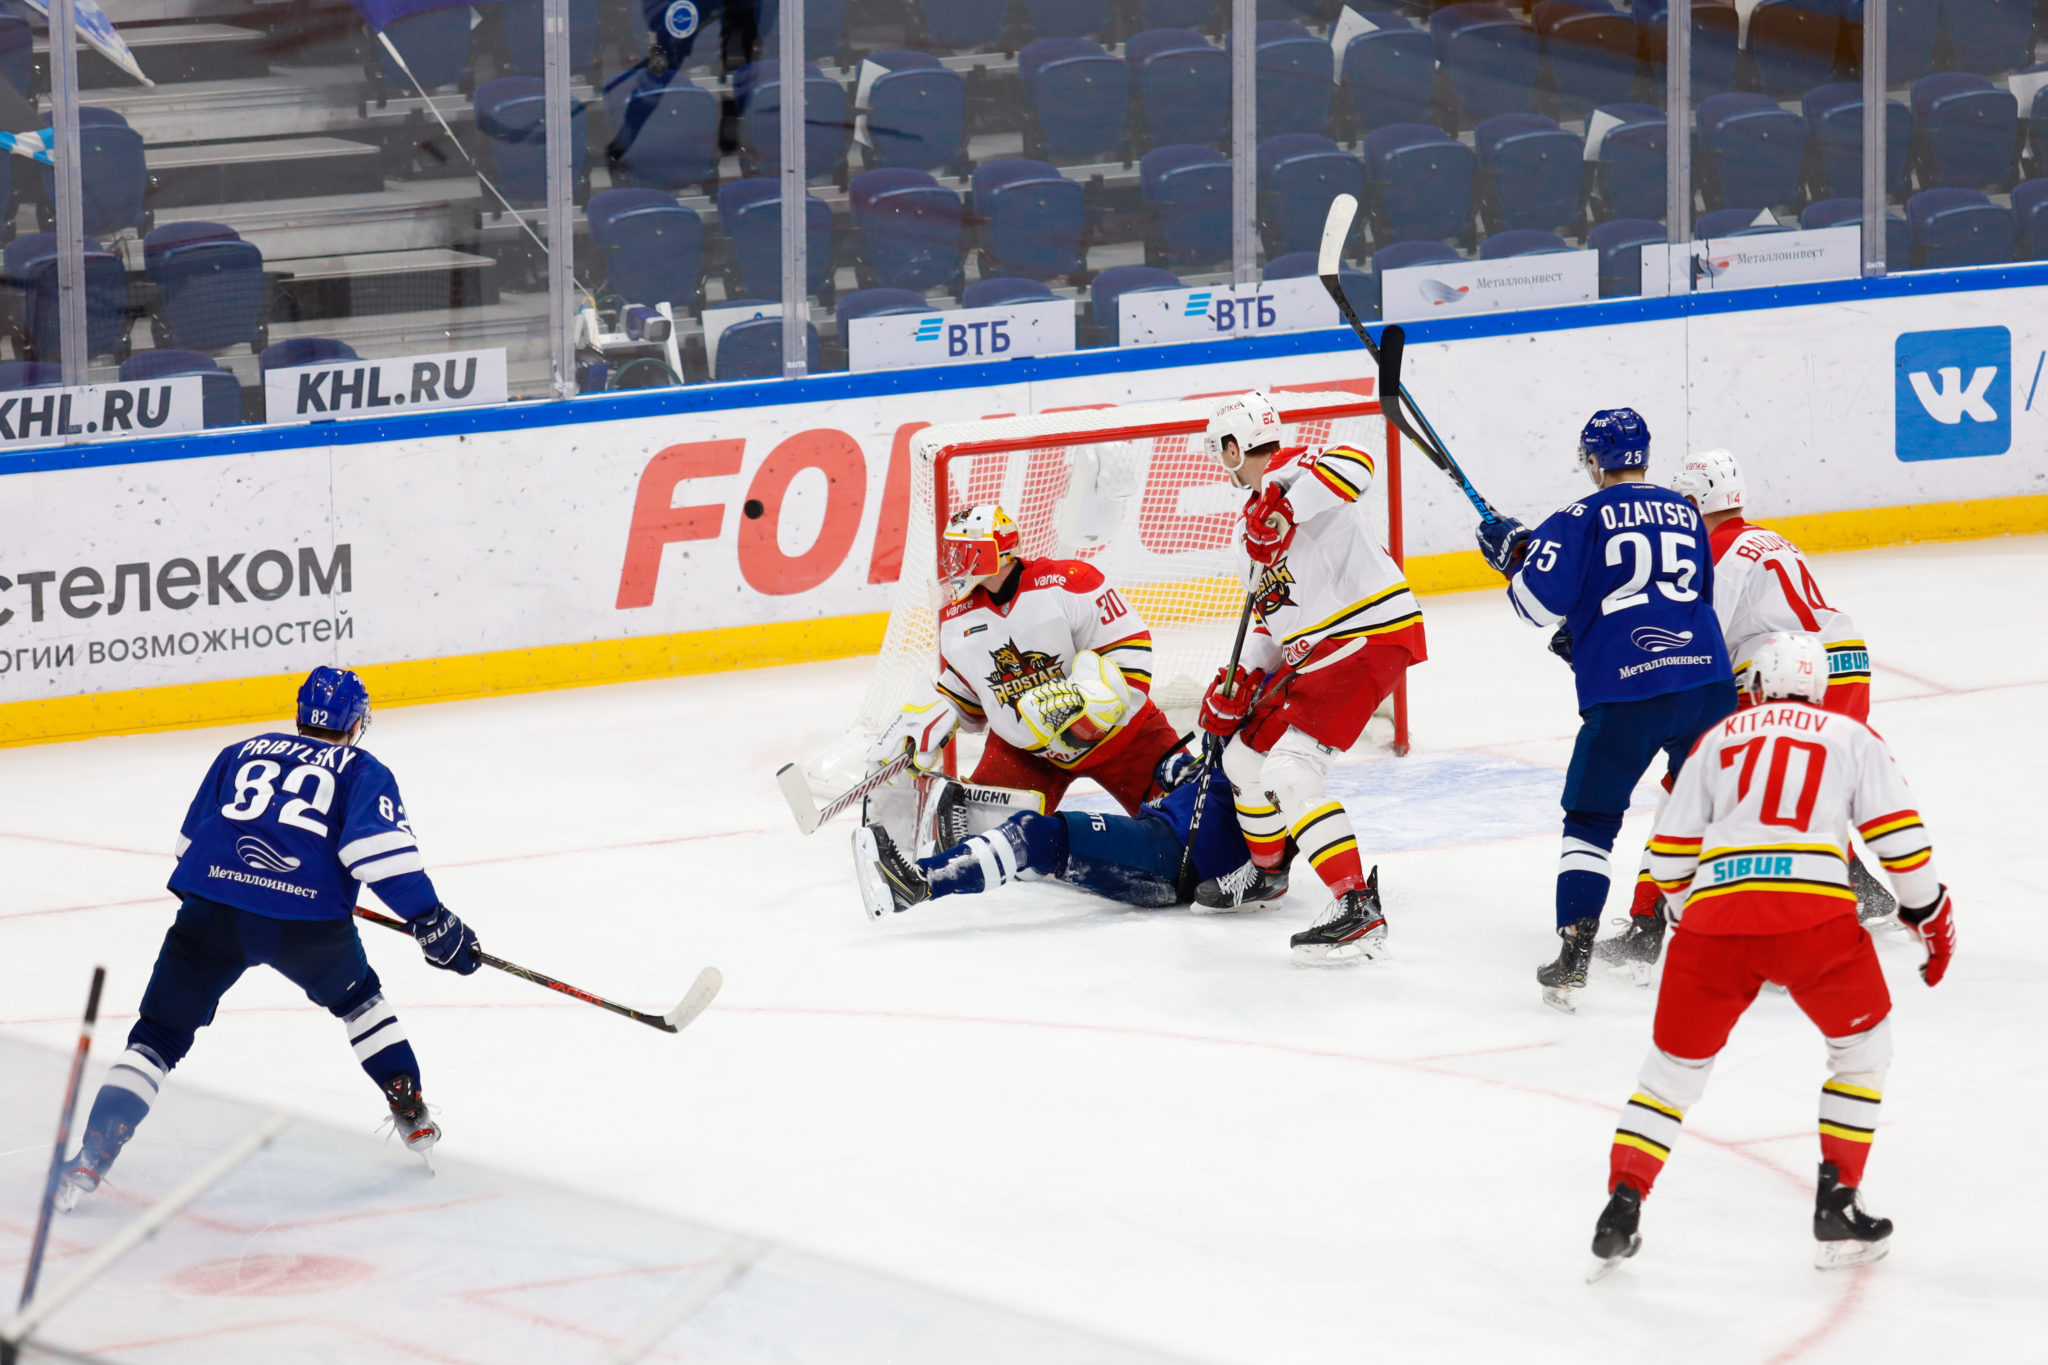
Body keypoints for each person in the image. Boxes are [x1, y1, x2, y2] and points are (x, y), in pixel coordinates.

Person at [1588, 632, 1956, 1277]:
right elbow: (1898, 839)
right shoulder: (1850, 736)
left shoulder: (1717, 739)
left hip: (1715, 923)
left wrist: (1686, 917)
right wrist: (1928, 914)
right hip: (1815, 920)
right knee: (1863, 1052)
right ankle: (1837, 1199)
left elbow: (1669, 855)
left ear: (1753, 685)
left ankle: (1623, 1202)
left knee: (1668, 1079)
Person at [56, 667, 480, 1210]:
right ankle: (408, 1103)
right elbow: (379, 858)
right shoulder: (361, 768)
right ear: (356, 723)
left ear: (301, 712)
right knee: (359, 1001)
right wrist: (433, 922)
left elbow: (190, 846)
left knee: (156, 1038)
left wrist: (233, 899)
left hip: (213, 913)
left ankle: (92, 1156)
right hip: (307, 929)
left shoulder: (240, 751)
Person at [1475, 408, 1735, 1010]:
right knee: (1719, 811)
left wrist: (1513, 561)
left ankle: (1575, 949)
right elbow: (1693, 597)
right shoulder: (1687, 511)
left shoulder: (1578, 515)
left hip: (1627, 694)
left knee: (1591, 823)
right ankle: (1753, 931)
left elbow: (1537, 608)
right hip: (1707, 684)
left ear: (1593, 460)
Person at [1601, 448, 1890, 969]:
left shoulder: (1720, 553)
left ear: (1693, 500)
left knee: (1687, 784)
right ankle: (1860, 888)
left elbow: (1695, 637)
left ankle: (1647, 926)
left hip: (1781, 671)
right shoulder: (1766, 537)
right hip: (1846, 661)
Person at [1195, 391, 1423, 962]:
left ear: (1231, 447)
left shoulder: (1300, 471)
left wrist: (1283, 507)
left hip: (1365, 638)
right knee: (1242, 759)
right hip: (1319, 651)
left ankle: (1355, 907)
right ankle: (1268, 874)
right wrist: (1242, 678)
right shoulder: (1251, 532)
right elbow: (1272, 622)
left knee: (1292, 770)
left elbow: (1357, 463)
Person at [864, 503, 1182, 817]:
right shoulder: (958, 616)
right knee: (977, 844)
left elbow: (1130, 652)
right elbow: (973, 695)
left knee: (1200, 824)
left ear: (987, 554)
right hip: (1027, 753)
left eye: (960, 552)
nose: (951, 563)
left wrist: (1091, 701)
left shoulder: (1069, 583)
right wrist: (931, 718)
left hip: (1125, 739)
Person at [853, 762, 1254, 918]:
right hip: (1163, 835)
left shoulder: (1277, 758)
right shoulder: (1254, 739)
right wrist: (1191, 773)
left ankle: (918, 884)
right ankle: (942, 870)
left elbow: (1273, 855)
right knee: (1036, 843)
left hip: (1173, 854)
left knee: (1034, 834)